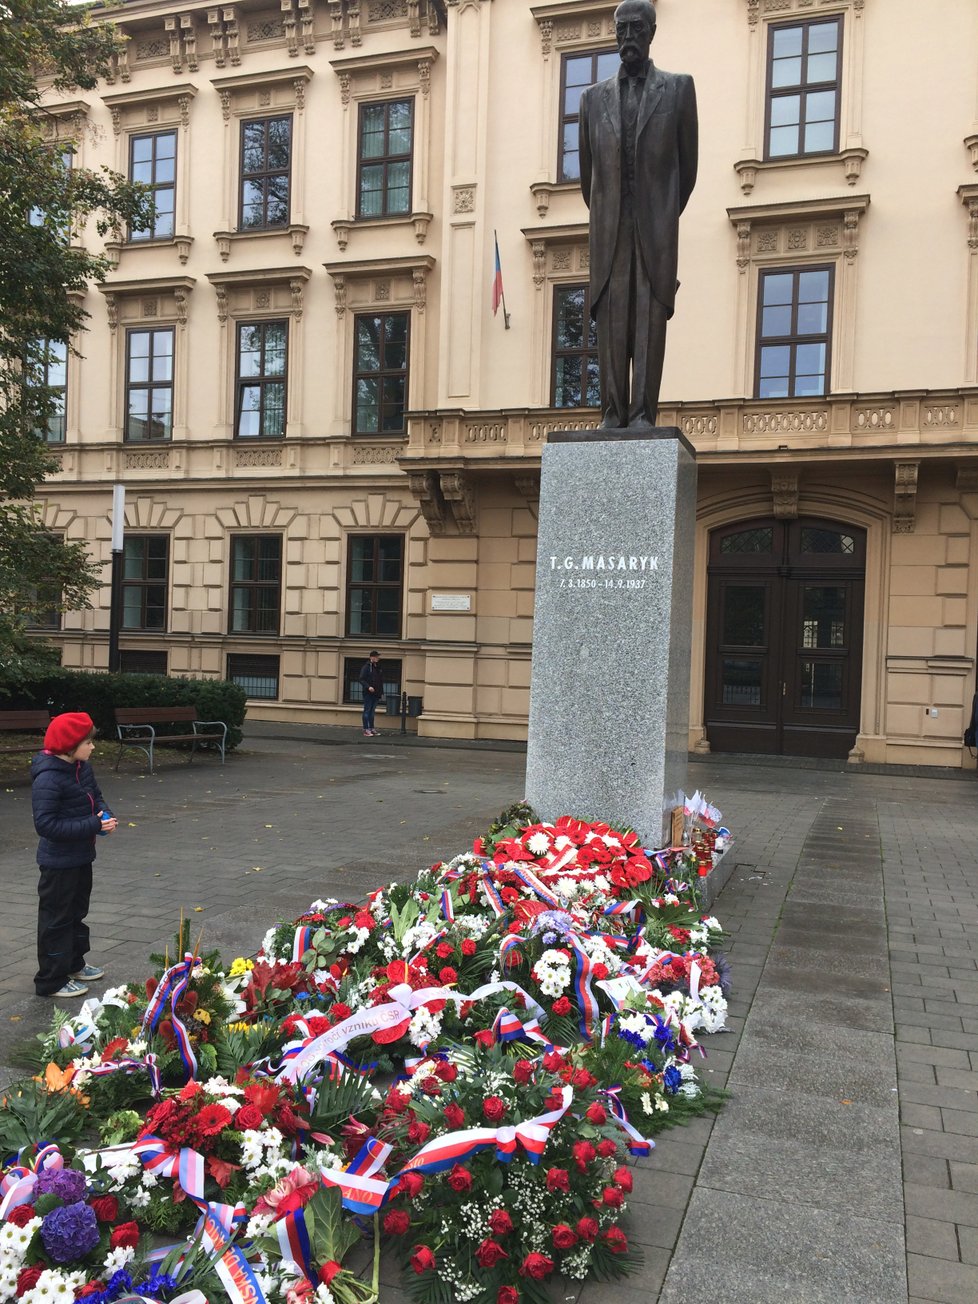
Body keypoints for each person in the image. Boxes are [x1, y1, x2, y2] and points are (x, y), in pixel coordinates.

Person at [579, 0, 698, 429]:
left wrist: (661, 210)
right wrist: (614, 209)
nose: (628, 36)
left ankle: (644, 411)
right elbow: (588, 176)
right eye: (621, 29)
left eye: (636, 28)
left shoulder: (679, 89)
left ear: (651, 32)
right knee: (612, 317)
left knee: (648, 315)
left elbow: (688, 169)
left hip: (655, 226)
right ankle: (612, 411)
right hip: (610, 226)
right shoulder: (591, 99)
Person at [31, 712, 117, 998]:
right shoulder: (49, 778)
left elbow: (96, 795)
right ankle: (51, 980)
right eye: (88, 742)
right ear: (69, 745)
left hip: (82, 856)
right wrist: (93, 824)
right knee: (56, 919)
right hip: (58, 863)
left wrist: (104, 816)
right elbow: (46, 825)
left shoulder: (82, 768)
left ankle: (73, 964)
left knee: (77, 913)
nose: (93, 747)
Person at [358, 650, 384, 737]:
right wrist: (368, 687)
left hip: (376, 692)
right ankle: (366, 729)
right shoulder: (366, 667)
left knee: (372, 712)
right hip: (368, 693)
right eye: (376, 657)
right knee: (367, 710)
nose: (378, 658)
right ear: (371, 657)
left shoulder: (378, 667)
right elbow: (361, 679)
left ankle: (372, 728)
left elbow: (380, 680)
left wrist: (381, 691)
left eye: (378, 657)